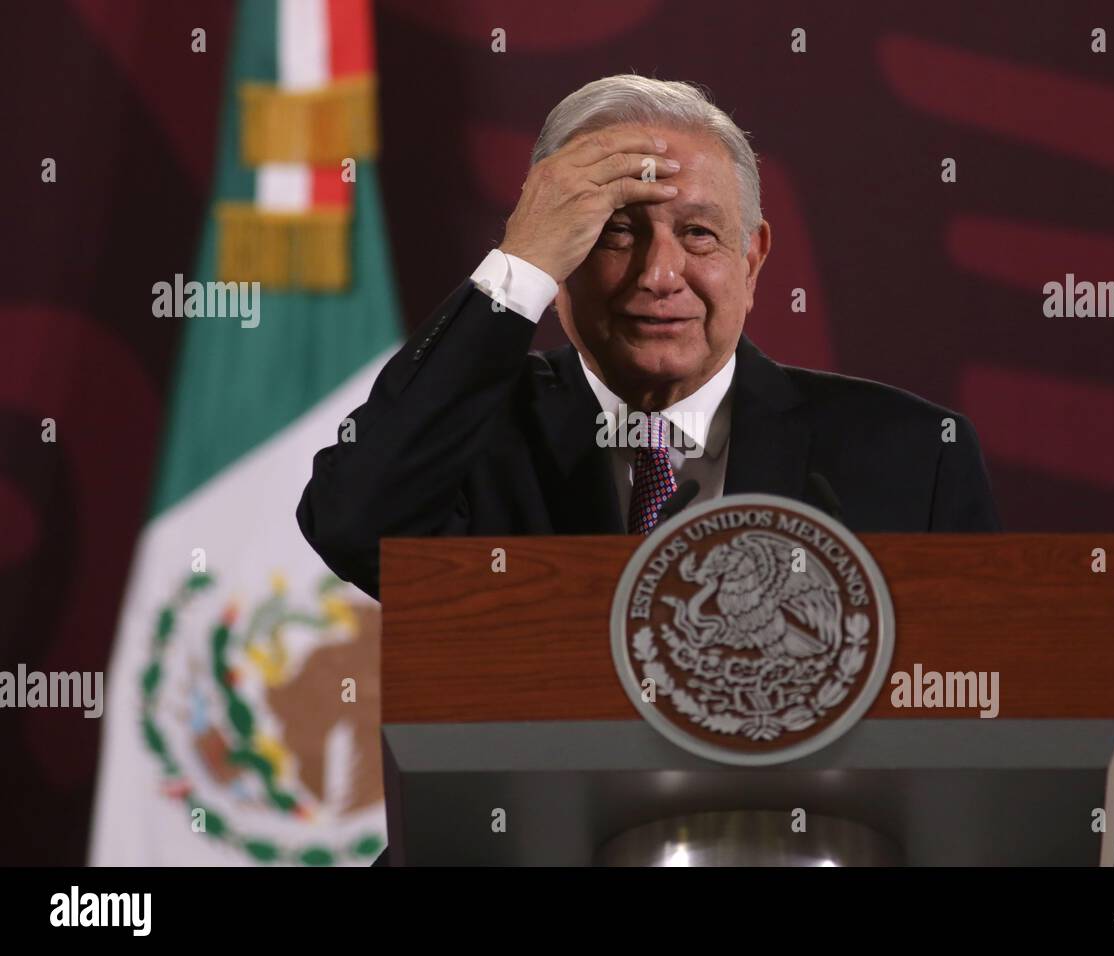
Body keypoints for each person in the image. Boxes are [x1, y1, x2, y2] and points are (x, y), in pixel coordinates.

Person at [297, 74, 999, 603]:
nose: (660, 274)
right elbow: (353, 520)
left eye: (698, 233)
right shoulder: (475, 445)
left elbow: (986, 710)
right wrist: (520, 265)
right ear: (560, 259)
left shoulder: (913, 458)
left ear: (752, 260)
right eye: (615, 233)